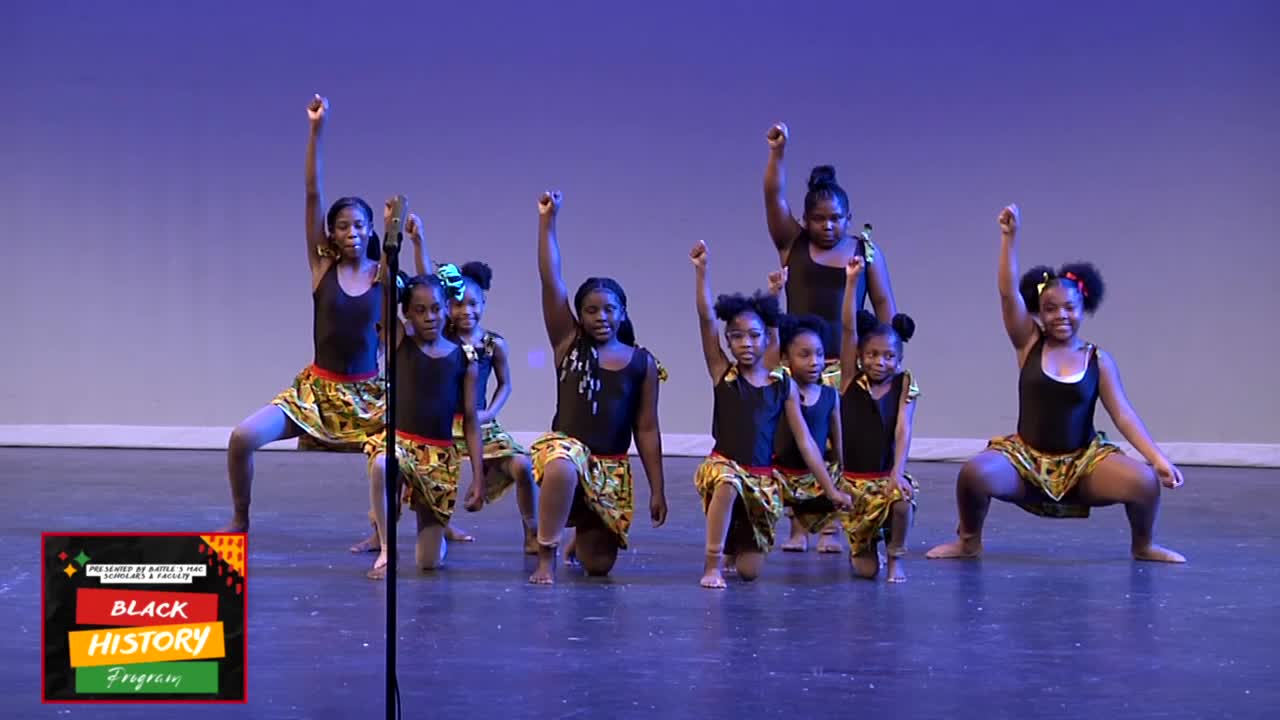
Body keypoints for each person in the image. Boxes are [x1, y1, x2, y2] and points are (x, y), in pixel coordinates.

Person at [926, 204, 1186, 563]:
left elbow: (1123, 414)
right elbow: (1006, 294)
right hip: (1026, 462)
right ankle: (968, 541)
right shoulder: (1029, 342)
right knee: (974, 474)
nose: (1060, 315)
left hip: (1083, 465)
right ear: (1039, 311)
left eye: (1069, 308)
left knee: (1144, 482)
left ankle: (1143, 545)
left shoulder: (1098, 360)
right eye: (1050, 309)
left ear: (1083, 308)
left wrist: (1156, 458)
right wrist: (1008, 238)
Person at [223, 94, 383, 532]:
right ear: (331, 232)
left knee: (405, 454)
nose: (352, 232)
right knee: (242, 438)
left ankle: (390, 531)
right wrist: (317, 129)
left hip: (370, 397)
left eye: (360, 225)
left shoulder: (383, 275)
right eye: (344, 225)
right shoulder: (322, 267)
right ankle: (240, 518)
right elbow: (313, 193)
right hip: (316, 392)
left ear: (371, 231)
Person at [690, 240, 851, 589]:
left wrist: (830, 488)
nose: (745, 343)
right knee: (728, 482)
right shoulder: (723, 374)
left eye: (753, 336)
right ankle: (713, 563)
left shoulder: (782, 385)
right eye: (736, 337)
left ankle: (737, 545)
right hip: (726, 467)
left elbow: (807, 441)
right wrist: (702, 273)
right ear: (728, 343)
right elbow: (705, 321)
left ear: (766, 340)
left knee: (750, 571)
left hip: (762, 479)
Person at [528, 191, 668, 585]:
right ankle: (546, 555)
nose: (601, 317)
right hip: (567, 454)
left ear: (623, 312)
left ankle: (581, 534)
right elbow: (550, 278)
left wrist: (657, 488)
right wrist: (547, 221)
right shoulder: (567, 342)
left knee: (599, 566)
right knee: (563, 463)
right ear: (580, 314)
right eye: (591, 310)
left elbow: (647, 428)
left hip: (610, 468)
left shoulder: (642, 362)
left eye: (609, 309)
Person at [364, 268, 486, 579]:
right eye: (419, 311)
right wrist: (393, 232)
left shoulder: (463, 360)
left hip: (438, 458)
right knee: (382, 465)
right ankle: (387, 550)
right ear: (406, 314)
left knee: (428, 562)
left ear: (447, 309)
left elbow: (471, 420)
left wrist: (479, 476)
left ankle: (434, 530)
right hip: (401, 444)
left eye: (435, 308)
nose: (429, 317)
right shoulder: (400, 343)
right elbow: (385, 295)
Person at [762, 122, 897, 387]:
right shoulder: (792, 242)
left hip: (847, 370)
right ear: (805, 220)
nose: (827, 225)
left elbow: (884, 305)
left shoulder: (866, 252)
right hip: (794, 369)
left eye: (835, 218)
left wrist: (890, 355)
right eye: (819, 219)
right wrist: (777, 152)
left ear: (849, 219)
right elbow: (773, 196)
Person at [838, 258, 921, 582]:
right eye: (872, 354)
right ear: (860, 356)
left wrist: (897, 473)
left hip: (885, 476)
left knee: (902, 498)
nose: (879, 362)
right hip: (854, 484)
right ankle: (862, 545)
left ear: (899, 359)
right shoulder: (849, 381)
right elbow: (847, 328)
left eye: (888, 356)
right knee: (865, 572)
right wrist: (850, 283)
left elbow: (903, 428)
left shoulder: (904, 384)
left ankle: (896, 556)